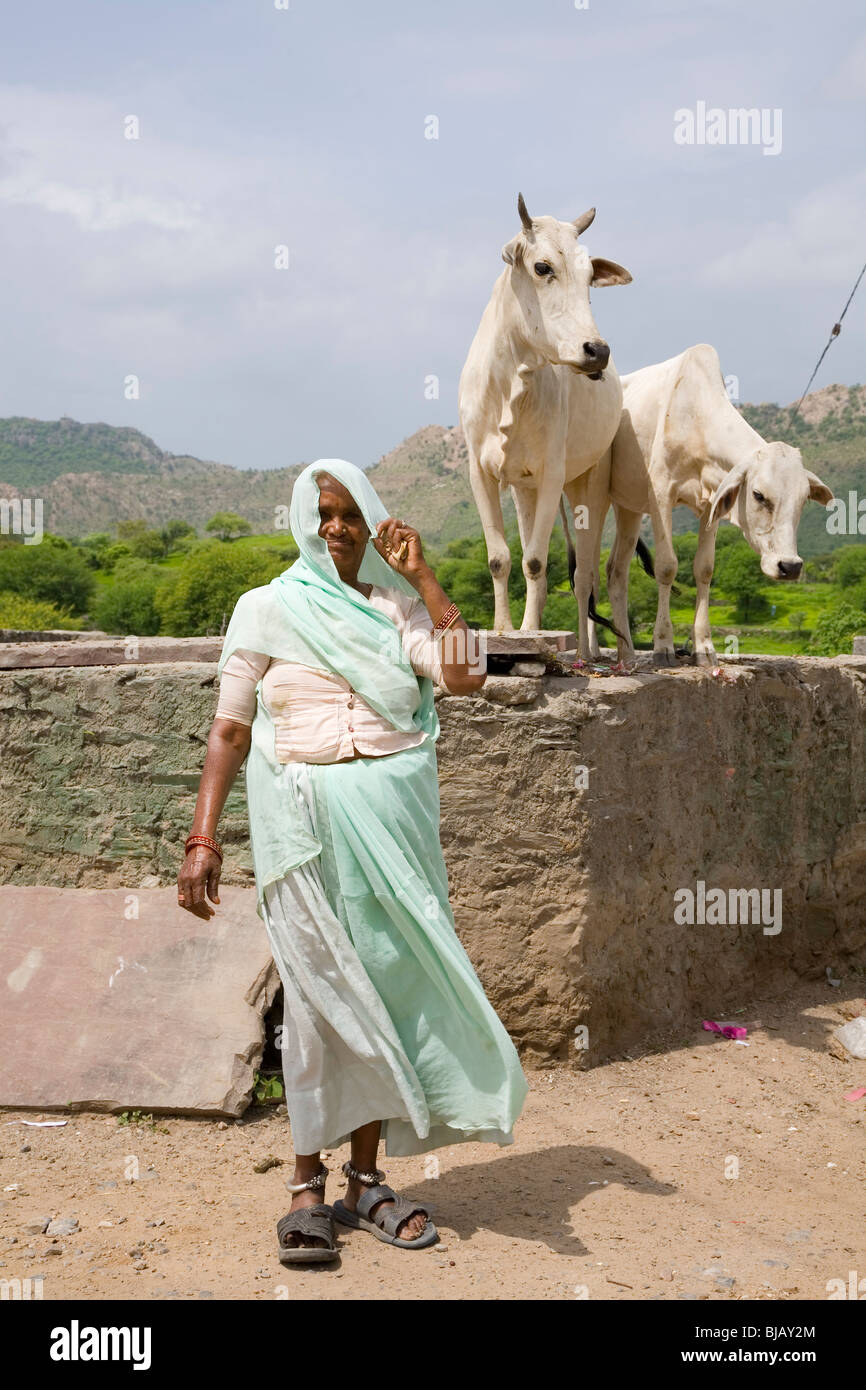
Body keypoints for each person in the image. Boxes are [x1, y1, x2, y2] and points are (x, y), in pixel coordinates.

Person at [177, 458, 528, 1263]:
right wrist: (203, 836)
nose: (334, 527)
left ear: (370, 523)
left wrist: (429, 578)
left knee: (385, 993)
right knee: (314, 1000)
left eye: (348, 515)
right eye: (322, 512)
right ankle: (305, 1185)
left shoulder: (398, 610)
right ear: (304, 519)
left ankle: (365, 1181)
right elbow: (230, 731)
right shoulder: (265, 609)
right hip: (300, 832)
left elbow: (468, 676)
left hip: (391, 829)